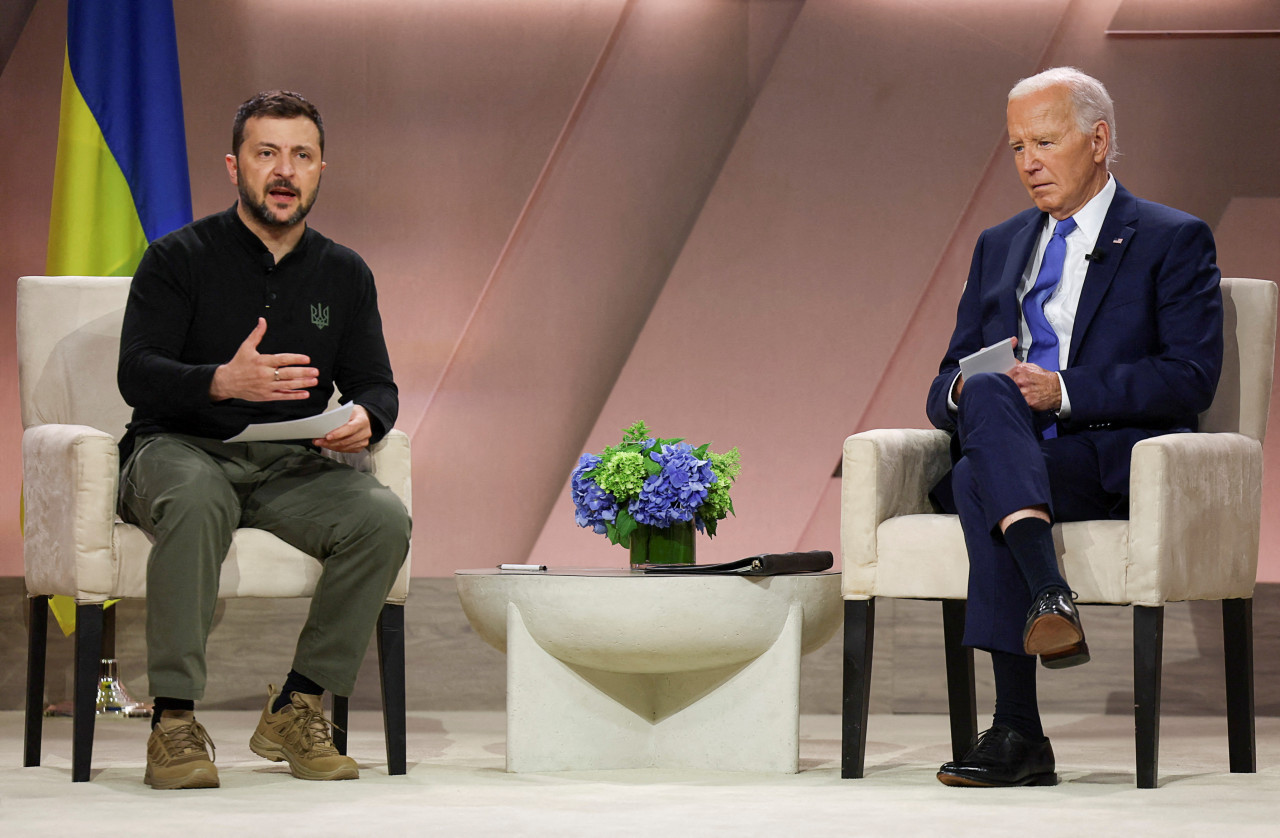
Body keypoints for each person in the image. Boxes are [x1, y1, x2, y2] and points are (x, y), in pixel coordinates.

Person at [925, 68, 1222, 787]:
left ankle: (1019, 731)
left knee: (975, 476)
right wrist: (967, 386)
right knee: (986, 397)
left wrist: (1062, 389)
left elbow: (1190, 376)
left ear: (1098, 140)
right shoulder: (999, 245)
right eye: (1017, 146)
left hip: (1101, 454)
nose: (1028, 161)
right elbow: (942, 386)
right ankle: (1048, 592)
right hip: (1015, 447)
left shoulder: (1171, 238)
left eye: (1045, 141)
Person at [117, 90, 411, 790]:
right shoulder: (176, 259)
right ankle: (175, 722)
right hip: (181, 449)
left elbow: (378, 385)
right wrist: (220, 382)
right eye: (267, 154)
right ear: (234, 166)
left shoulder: (344, 273)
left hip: (290, 465)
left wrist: (367, 418)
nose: (285, 170)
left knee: (381, 518)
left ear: (319, 170)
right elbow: (138, 373)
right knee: (194, 500)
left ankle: (296, 705)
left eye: (301, 156)